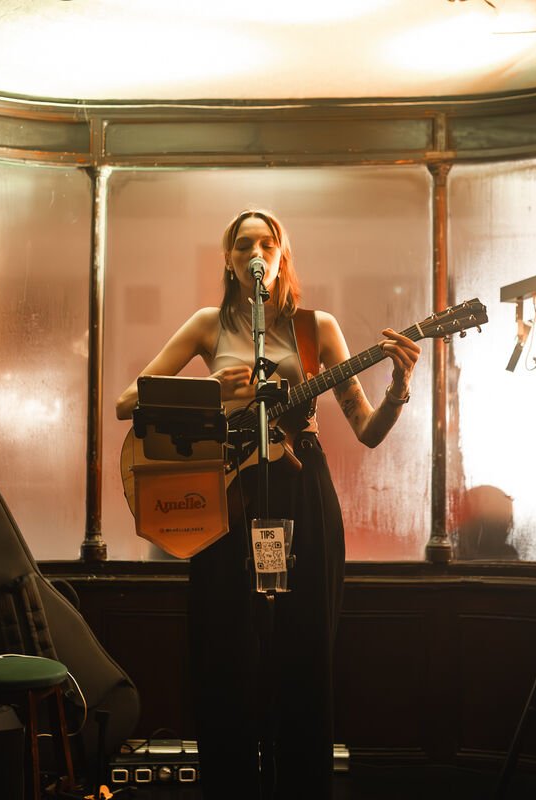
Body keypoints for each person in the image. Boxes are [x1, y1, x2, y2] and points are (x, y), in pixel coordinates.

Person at [115, 209, 420, 799]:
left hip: (302, 495)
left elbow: (366, 429)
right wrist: (211, 391)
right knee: (225, 650)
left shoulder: (317, 328)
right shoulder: (208, 325)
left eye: (267, 242)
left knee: (305, 653)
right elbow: (130, 402)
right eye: (242, 244)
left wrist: (400, 387)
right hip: (226, 501)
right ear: (230, 260)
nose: (255, 251)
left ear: (282, 255)